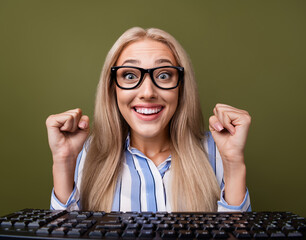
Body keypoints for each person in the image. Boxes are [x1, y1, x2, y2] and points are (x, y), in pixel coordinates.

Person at [46, 27, 251, 212]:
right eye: (129, 75)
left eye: (163, 75)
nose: (147, 92)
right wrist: (63, 162)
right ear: (112, 88)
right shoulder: (86, 155)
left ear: (181, 87)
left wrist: (233, 163)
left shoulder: (217, 152)